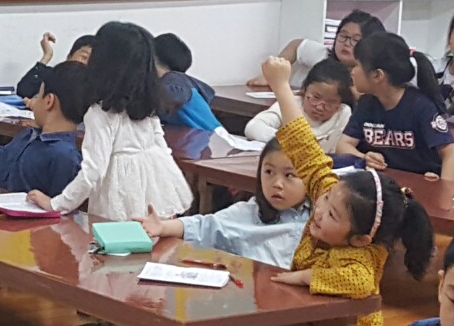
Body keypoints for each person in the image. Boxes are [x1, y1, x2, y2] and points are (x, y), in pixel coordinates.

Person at [262, 55, 435, 326]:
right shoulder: (335, 194)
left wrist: (303, 277)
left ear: (359, 239)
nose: (319, 210)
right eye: (325, 199)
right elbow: (305, 149)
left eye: (331, 214)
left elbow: (360, 282)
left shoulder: (359, 257)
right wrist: (281, 86)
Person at [26, 22, 194, 221]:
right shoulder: (147, 106)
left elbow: (93, 170)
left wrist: (57, 204)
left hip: (119, 197)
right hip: (155, 192)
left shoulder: (100, 113)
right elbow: (162, 150)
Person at [134, 137, 309, 269]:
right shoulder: (248, 213)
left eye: (289, 175)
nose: (277, 184)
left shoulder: (318, 218)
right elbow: (205, 225)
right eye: (269, 172)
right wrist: (163, 227)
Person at [336, 32, 454, 181]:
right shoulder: (366, 103)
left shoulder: (420, 107)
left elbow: (450, 155)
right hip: (384, 184)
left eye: (357, 65)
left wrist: (443, 188)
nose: (352, 72)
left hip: (421, 183)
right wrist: (364, 157)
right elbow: (343, 145)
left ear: (377, 75)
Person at [0, 62, 87, 196]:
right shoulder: (28, 135)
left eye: (37, 96)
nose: (33, 102)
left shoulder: (66, 157)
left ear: (49, 101)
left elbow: (59, 205)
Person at [247, 10, 385, 89]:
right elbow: (296, 45)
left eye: (355, 39)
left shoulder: (372, 75)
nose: (346, 43)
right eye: (343, 36)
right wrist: (268, 77)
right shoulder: (323, 56)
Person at [245, 59, 353, 153]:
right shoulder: (291, 103)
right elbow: (253, 127)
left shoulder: (343, 114)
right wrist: (286, 140)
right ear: (304, 90)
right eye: (315, 98)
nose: (320, 107)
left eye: (330, 103)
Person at [153, 33, 220, 131]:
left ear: (153, 58)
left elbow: (171, 99)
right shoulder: (182, 82)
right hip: (207, 137)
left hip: (205, 138)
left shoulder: (173, 82)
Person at [16, 33, 93, 99]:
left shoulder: (93, 89)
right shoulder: (53, 75)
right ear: (69, 57)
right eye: (84, 57)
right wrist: (47, 56)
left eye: (93, 60)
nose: (87, 63)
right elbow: (23, 91)